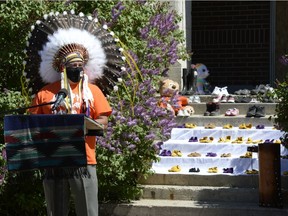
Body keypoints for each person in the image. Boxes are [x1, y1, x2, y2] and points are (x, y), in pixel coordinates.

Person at [29, 51, 112, 216]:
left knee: (87, 210)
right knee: (55, 210)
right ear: (62, 68)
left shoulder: (92, 91)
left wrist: (86, 125)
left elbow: (103, 120)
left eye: (80, 65)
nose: (78, 68)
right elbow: (33, 124)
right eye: (73, 65)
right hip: (53, 157)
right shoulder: (46, 94)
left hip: (84, 158)